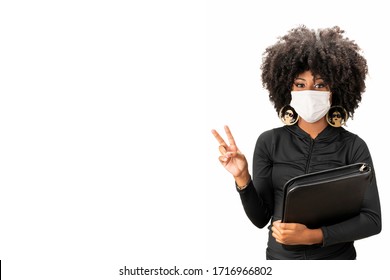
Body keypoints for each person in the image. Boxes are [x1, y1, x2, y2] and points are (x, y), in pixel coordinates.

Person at [211, 26, 381, 260]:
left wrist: (315, 236)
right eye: (300, 85)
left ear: (336, 91)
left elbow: (372, 220)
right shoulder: (269, 141)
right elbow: (260, 219)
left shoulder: (353, 146)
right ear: (287, 89)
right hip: (280, 262)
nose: (310, 92)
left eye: (320, 85)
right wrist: (241, 177)